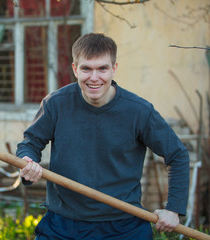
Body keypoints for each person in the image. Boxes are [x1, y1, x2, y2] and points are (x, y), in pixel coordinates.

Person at [16, 33, 189, 239]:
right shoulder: (56, 104)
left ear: (114, 69)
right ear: (75, 69)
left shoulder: (139, 111)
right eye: (86, 68)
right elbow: (30, 144)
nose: (94, 77)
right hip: (63, 224)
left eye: (102, 68)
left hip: (124, 225)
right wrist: (27, 161)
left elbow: (177, 155)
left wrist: (174, 209)